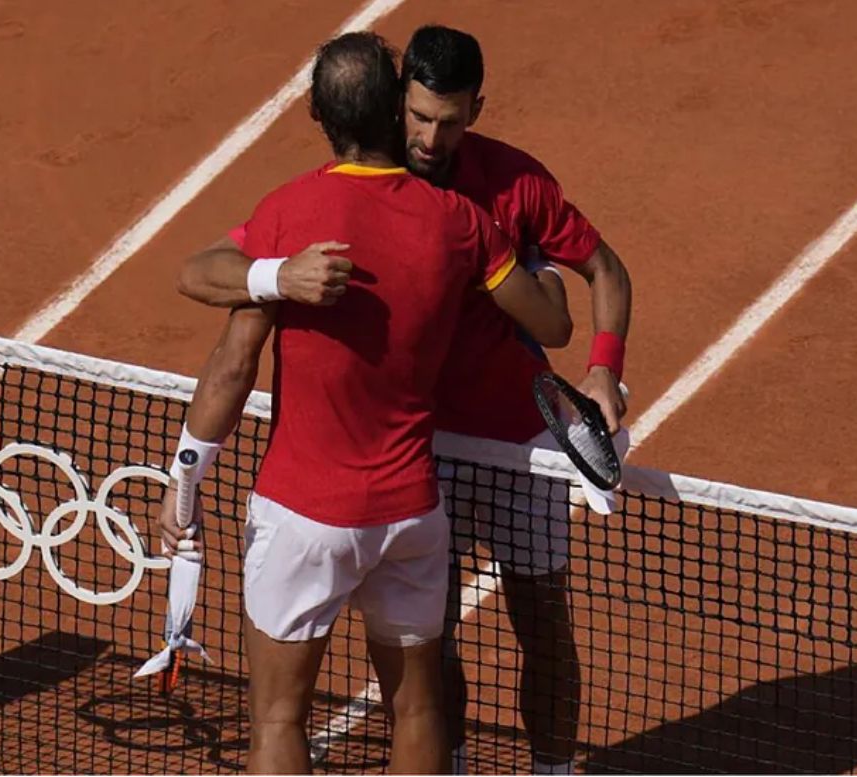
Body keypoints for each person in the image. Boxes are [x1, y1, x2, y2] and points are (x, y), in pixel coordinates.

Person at [176, 25, 633, 775]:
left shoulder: (514, 186)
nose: (430, 136)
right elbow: (550, 311)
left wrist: (604, 371)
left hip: (517, 444)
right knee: (431, 650)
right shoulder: (426, 214)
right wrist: (279, 275)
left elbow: (603, 274)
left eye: (449, 121)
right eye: (418, 117)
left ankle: (551, 770)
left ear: (476, 110)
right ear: (396, 106)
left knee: (542, 620)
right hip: (426, 456)